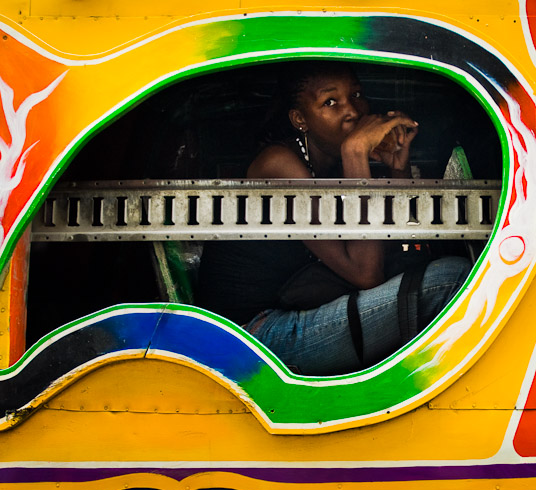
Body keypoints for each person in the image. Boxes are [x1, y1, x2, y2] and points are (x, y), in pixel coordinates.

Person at [196, 61, 471, 375]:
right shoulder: (278, 163)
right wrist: (355, 152)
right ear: (300, 119)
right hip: (253, 337)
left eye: (356, 94)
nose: (353, 110)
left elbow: (403, 248)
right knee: (452, 280)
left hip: (290, 314)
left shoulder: (334, 169)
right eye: (331, 102)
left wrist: (397, 168)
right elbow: (366, 274)